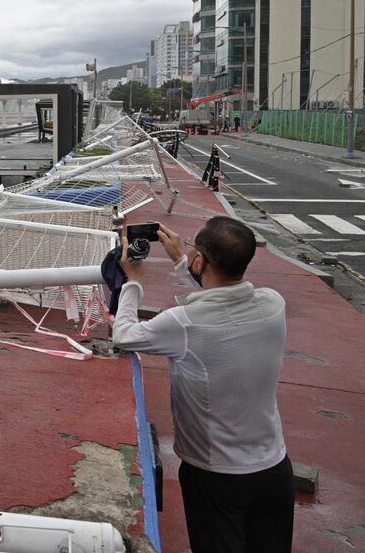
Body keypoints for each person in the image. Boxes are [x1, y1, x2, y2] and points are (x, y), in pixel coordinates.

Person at [113, 217, 293, 553]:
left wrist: (133, 281)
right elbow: (223, 300)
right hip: (274, 468)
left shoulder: (182, 323)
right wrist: (182, 260)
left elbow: (124, 335)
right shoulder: (273, 304)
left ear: (202, 261)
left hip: (216, 476)